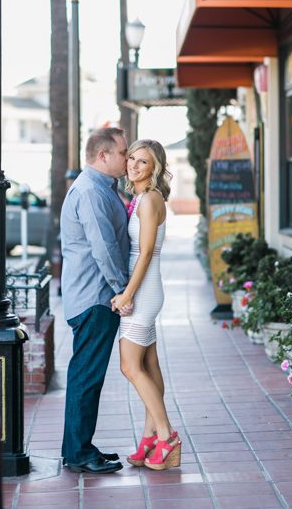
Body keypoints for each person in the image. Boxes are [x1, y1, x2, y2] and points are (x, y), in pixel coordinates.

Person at [60, 127, 130, 474]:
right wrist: (121, 290)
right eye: (122, 153)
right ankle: (78, 453)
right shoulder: (90, 191)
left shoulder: (101, 188)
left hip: (92, 296)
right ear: (103, 156)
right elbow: (103, 246)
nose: (127, 159)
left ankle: (77, 447)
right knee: (87, 377)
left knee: (85, 375)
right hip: (95, 298)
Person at [110, 139, 180, 470]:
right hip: (144, 288)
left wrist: (128, 295)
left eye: (144, 162)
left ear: (155, 169)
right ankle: (150, 435)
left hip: (145, 290)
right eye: (132, 159)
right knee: (149, 365)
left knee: (130, 366)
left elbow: (147, 252)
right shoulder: (139, 197)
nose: (135, 166)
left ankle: (167, 436)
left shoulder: (150, 199)